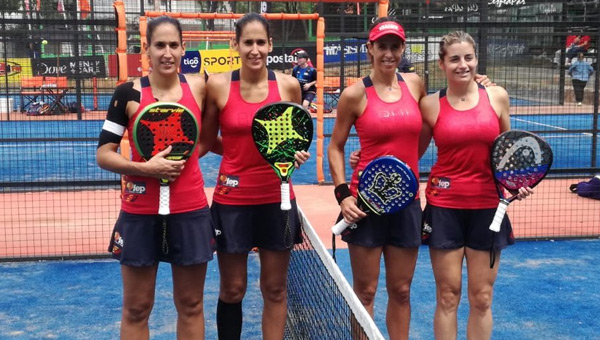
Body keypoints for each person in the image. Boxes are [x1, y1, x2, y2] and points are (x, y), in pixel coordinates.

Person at [96, 16, 215, 339]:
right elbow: (104, 154)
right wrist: (145, 169)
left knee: (190, 304)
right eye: (159, 45)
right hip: (139, 212)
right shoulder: (127, 94)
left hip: (189, 210)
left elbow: (218, 136)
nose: (167, 53)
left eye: (173, 45)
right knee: (137, 308)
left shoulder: (200, 87)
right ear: (145, 49)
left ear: (183, 48)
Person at [202, 13, 310, 340]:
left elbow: (293, 138)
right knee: (233, 289)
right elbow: (207, 141)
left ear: (271, 45)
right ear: (235, 44)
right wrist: (239, 153)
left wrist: (292, 156)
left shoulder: (288, 85)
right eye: (247, 42)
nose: (254, 49)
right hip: (231, 201)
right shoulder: (218, 85)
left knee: (275, 289)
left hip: (276, 200)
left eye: (260, 42)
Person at [419, 31, 532, 340]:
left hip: (488, 208)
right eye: (454, 59)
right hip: (445, 209)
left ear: (477, 60)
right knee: (448, 294)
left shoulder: (497, 96)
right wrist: (367, 158)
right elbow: (409, 152)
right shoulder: (429, 105)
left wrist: (517, 183)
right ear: (442, 63)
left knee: (481, 297)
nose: (462, 65)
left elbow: (508, 151)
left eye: (468, 58)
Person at [327, 17, 426, 340]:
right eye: (381, 46)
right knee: (365, 292)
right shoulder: (354, 95)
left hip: (406, 206)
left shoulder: (415, 84)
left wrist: (403, 174)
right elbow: (336, 147)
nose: (388, 53)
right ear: (370, 49)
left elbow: (426, 131)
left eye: (394, 46)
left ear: (402, 49)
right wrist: (344, 195)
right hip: (364, 207)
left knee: (401, 290)